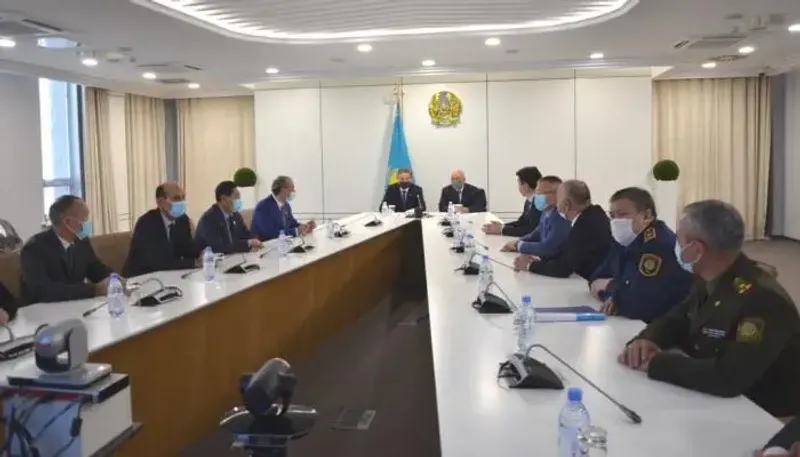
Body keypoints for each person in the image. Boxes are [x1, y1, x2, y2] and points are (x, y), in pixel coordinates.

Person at [619, 200, 800, 418]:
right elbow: (680, 316)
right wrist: (649, 340)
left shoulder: (763, 300)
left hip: (764, 414)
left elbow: (730, 377)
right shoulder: (711, 275)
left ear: (696, 249)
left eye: (679, 239)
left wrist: (657, 364)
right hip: (714, 397)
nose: (675, 245)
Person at [588, 187, 693, 322]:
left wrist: (611, 288)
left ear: (647, 216)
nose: (615, 221)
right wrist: (618, 292)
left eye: (622, 214)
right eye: (612, 216)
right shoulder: (624, 240)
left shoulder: (657, 245)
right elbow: (596, 278)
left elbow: (640, 304)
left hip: (664, 324)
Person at [20, 195, 114, 304]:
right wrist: (94, 290)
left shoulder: (81, 240)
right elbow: (43, 291)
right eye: (85, 218)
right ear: (67, 222)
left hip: (76, 306)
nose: (88, 223)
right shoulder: (34, 249)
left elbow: (95, 269)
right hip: (43, 310)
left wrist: (114, 279)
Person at [513, 179, 611, 279]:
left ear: (566, 205)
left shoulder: (584, 226)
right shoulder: (595, 214)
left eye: (558, 200)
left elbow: (562, 269)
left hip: (590, 282)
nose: (556, 205)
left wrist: (530, 265)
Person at [123, 182, 201, 277]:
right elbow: (159, 262)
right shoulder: (146, 223)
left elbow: (188, 249)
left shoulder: (182, 220)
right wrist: (193, 263)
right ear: (160, 202)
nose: (181, 202)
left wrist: (203, 255)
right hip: (141, 277)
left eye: (183, 197)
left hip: (168, 275)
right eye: (176, 198)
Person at [501, 175, 570, 257]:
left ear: (557, 194)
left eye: (542, 193)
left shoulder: (562, 217)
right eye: (537, 193)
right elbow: (535, 235)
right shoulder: (546, 213)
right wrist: (516, 242)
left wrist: (519, 246)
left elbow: (547, 248)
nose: (538, 197)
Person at [195, 181, 262, 254]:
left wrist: (255, 240)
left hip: (234, 256)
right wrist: (248, 243)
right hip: (213, 258)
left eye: (239, 197)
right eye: (236, 197)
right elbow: (219, 247)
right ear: (223, 199)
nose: (239, 201)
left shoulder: (236, 215)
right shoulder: (209, 219)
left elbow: (247, 235)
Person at [482, 166, 542, 237]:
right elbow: (521, 222)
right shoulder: (529, 200)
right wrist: (503, 226)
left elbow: (530, 230)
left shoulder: (540, 203)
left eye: (519, 183)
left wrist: (502, 230)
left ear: (526, 185)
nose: (518, 187)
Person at [252, 176, 316, 241]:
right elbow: (270, 233)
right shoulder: (263, 207)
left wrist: (305, 227)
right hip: (265, 244)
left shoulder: (286, 205)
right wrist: (296, 231)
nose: (294, 191)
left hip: (282, 243)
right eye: (292, 189)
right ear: (283, 190)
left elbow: (292, 224)